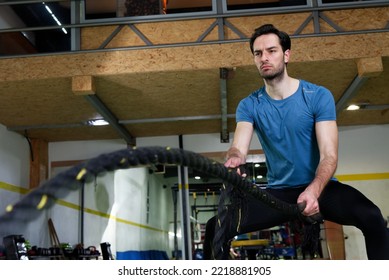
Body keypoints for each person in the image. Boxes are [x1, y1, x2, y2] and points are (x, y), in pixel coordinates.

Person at [203, 24, 389, 260]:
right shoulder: (249, 105)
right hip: (279, 193)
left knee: (372, 217)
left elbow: (329, 156)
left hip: (321, 188)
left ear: (286, 54)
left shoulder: (317, 96)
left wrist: (314, 190)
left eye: (271, 51)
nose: (264, 58)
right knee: (215, 227)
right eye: (258, 53)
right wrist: (234, 160)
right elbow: (238, 148)